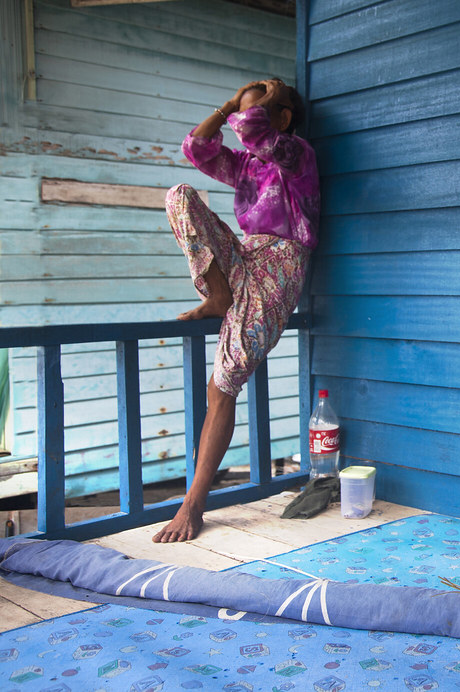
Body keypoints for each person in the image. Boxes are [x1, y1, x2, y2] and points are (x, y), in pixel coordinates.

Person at [154, 78, 320, 543]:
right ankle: (220, 294)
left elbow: (253, 132)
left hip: (281, 264)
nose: (242, 118)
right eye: (241, 112)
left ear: (283, 118)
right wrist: (230, 102)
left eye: (261, 110)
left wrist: (256, 105)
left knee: (222, 385)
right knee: (179, 195)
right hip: (246, 257)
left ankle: (193, 504)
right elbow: (197, 147)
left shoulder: (296, 155)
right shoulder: (246, 165)